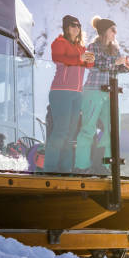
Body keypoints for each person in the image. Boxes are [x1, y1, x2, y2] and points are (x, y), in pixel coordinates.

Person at [74, 17, 129, 174]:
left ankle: (106, 165)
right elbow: (96, 64)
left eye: (116, 30)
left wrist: (127, 66)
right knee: (88, 129)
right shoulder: (93, 47)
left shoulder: (115, 49)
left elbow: (118, 69)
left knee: (113, 128)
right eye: (113, 29)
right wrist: (116, 63)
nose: (115, 33)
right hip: (93, 91)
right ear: (104, 32)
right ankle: (81, 166)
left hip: (109, 94)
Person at [44, 15, 94, 173]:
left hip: (77, 93)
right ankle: (51, 169)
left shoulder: (80, 47)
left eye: (78, 25)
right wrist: (80, 58)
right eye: (73, 25)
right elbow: (59, 58)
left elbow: (89, 64)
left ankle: (65, 169)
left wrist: (89, 58)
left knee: (71, 133)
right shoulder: (59, 43)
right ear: (66, 27)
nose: (76, 28)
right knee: (61, 130)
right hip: (61, 92)